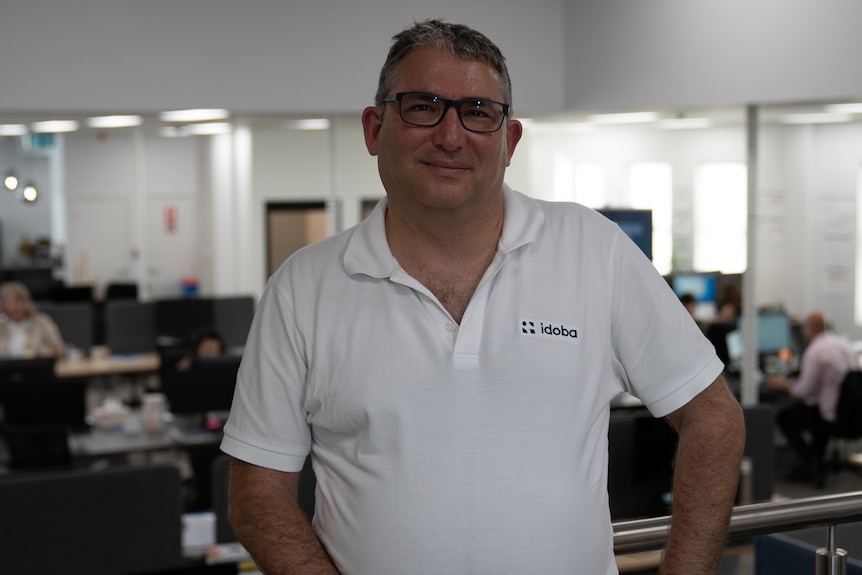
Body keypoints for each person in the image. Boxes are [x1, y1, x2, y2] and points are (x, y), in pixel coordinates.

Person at [221, 19, 745, 575]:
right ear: (375, 129)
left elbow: (713, 418)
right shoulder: (303, 289)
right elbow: (257, 494)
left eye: (477, 112)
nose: (451, 136)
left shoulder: (593, 251)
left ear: (509, 140)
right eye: (423, 106)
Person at [765, 310, 858, 486]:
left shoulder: (815, 351)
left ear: (810, 330)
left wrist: (783, 384)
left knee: (785, 417)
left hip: (829, 416)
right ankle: (817, 458)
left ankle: (810, 460)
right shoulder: (845, 344)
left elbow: (802, 392)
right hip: (851, 415)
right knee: (811, 411)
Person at [0, 281, 65, 358]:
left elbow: (60, 349)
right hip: (5, 368)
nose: (15, 307)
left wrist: (41, 352)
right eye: (10, 302)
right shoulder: (2, 324)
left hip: (36, 367)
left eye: (19, 301)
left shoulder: (41, 322)